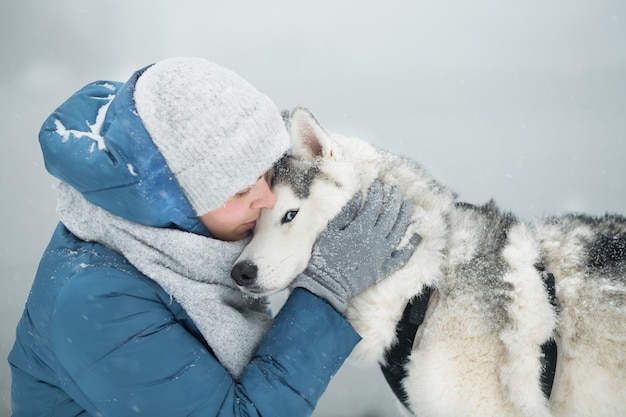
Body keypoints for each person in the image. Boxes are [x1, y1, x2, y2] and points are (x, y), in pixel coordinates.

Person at [8, 57, 417, 417]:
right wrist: (326, 290)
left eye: (264, 174)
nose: (265, 197)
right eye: (240, 190)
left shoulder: (178, 249)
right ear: (175, 202)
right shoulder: (97, 302)